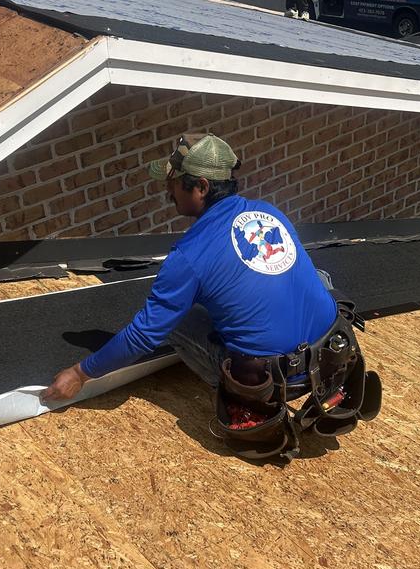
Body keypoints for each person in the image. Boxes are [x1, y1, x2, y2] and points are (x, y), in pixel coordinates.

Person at [43, 134, 378, 459]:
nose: (167, 191)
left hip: (271, 382)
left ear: (200, 187)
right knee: (314, 276)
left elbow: (145, 335)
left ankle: (254, 403)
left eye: (173, 182)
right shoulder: (270, 212)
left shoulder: (189, 256)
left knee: (176, 320)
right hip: (332, 358)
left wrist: (80, 374)